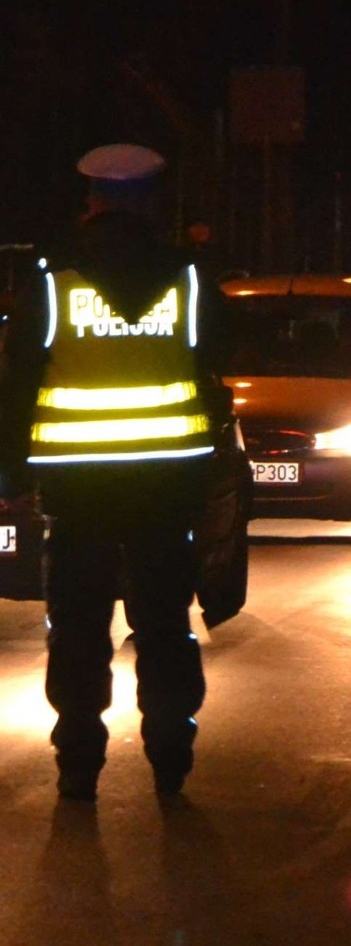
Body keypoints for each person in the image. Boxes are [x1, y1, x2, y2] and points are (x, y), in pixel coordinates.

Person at [0, 143, 229, 802]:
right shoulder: (186, 279)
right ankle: (170, 754)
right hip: (166, 486)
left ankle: (78, 761)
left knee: (77, 623)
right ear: (153, 203)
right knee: (164, 621)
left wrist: (12, 473)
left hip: (77, 489)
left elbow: (17, 384)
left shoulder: (51, 281)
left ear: (92, 201)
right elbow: (220, 356)